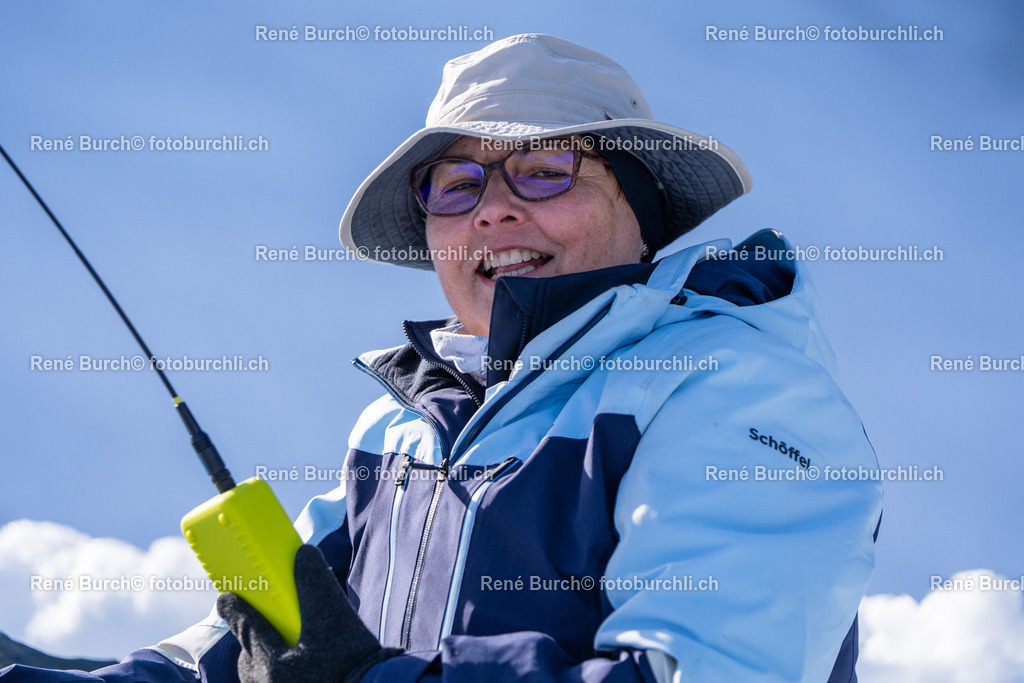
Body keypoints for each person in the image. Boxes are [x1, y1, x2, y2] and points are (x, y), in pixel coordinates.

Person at [1, 33, 883, 683]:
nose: (492, 210)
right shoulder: (397, 429)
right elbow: (257, 646)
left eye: (545, 167)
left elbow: (699, 670)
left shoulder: (738, 389)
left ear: (641, 205)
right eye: (457, 185)